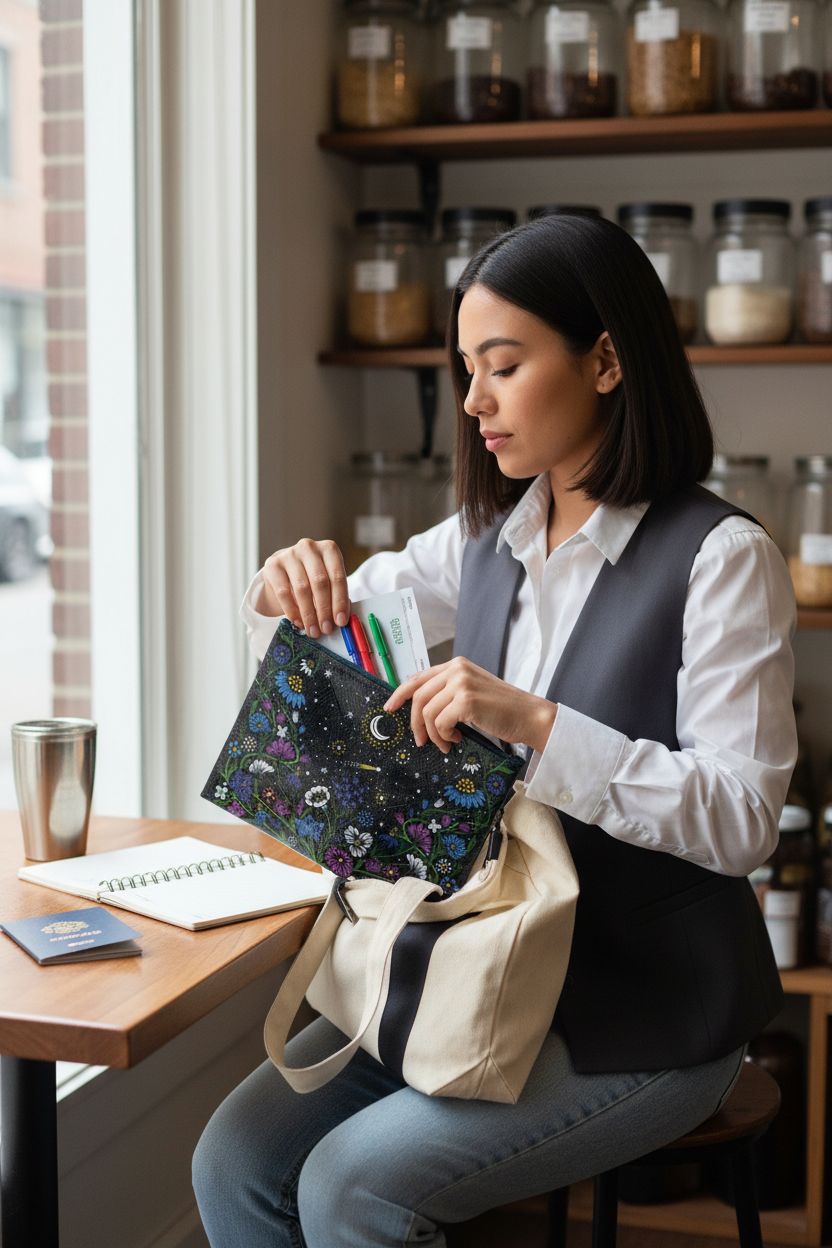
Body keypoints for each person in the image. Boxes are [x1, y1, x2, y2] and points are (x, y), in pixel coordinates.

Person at [192, 213, 797, 1248]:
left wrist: (537, 726)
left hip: (643, 1009)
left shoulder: (722, 558)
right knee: (234, 1160)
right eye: (465, 368)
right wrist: (276, 590)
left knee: (350, 1188)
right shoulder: (480, 539)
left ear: (605, 359)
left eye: (502, 366)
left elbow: (742, 819)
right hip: (475, 968)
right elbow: (321, 641)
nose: (472, 401)